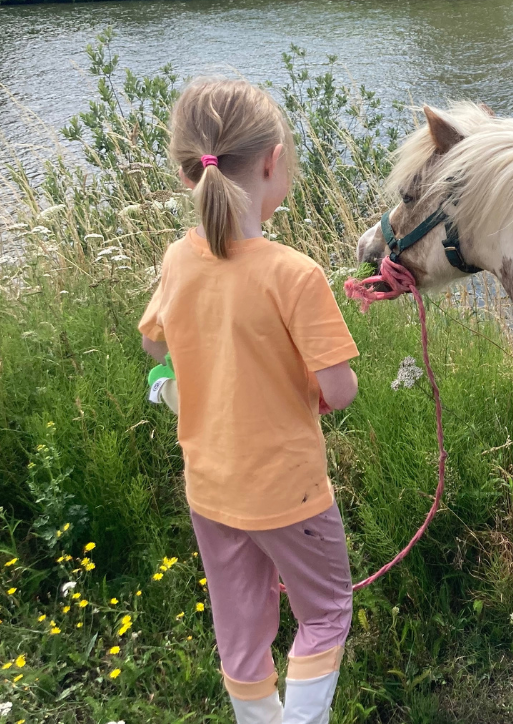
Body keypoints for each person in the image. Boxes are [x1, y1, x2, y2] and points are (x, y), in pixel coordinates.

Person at [139, 78, 359, 724]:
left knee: (241, 632)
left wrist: (198, 374)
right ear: (273, 159)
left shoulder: (179, 258)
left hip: (210, 488)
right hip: (289, 490)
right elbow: (339, 391)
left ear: (189, 174)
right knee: (325, 614)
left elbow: (156, 347)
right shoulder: (294, 273)